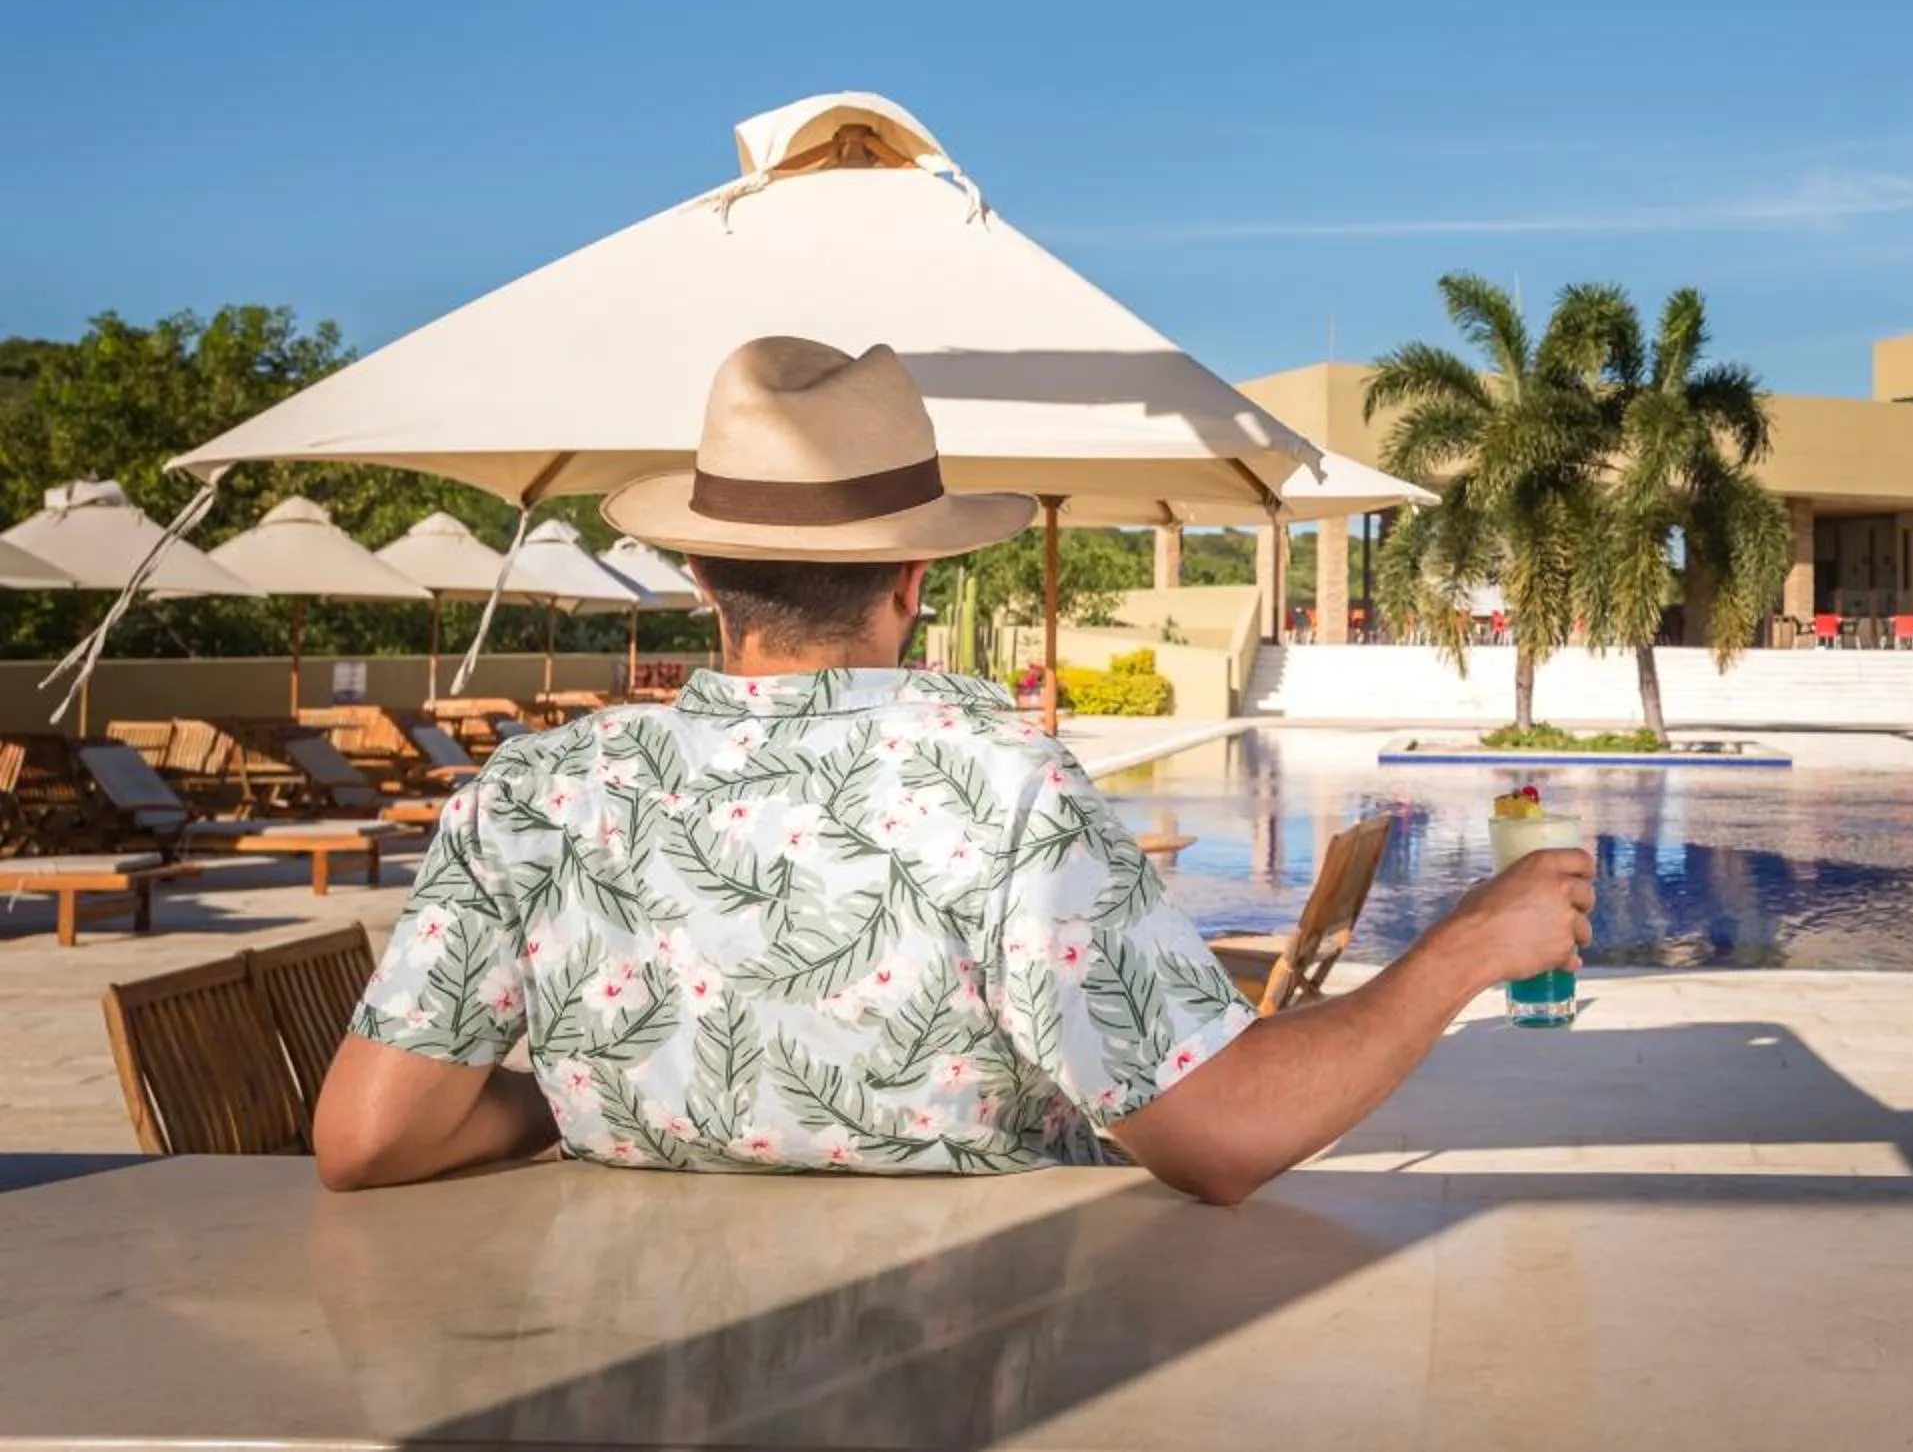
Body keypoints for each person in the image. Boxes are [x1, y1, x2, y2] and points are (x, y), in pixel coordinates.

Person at [312, 336, 1593, 1202]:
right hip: (964, 1363)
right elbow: (1223, 1133)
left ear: (699, 573)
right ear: (916, 577)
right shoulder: (1002, 788)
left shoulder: (537, 791)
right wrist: (1465, 946)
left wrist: (588, 1099)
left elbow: (370, 1136)